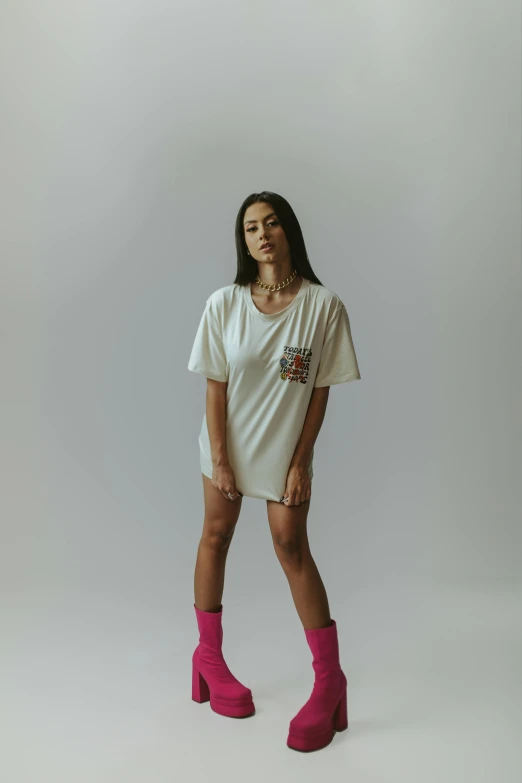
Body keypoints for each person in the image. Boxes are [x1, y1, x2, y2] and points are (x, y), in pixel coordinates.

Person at [187, 190, 361, 752]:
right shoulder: (224, 303)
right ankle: (208, 660)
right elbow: (215, 386)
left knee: (291, 547)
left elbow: (319, 391)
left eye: (272, 223)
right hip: (227, 447)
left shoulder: (323, 307)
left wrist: (302, 459)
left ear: (289, 231)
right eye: (250, 228)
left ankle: (329, 681)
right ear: (243, 242)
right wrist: (219, 457)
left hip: (284, 452)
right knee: (216, 535)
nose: (261, 234)